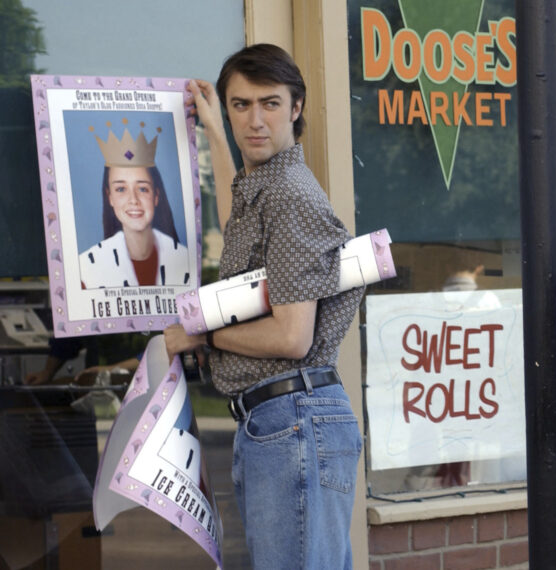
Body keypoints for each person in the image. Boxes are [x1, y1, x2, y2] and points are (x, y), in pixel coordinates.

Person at [164, 44, 364, 569]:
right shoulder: (264, 187)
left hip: (293, 418)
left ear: (296, 108)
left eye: (270, 104)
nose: (255, 120)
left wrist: (200, 333)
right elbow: (238, 225)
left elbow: (292, 337)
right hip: (282, 419)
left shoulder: (289, 196)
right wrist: (210, 128)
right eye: (240, 105)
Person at [79, 125, 190, 288]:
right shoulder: (87, 270)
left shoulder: (186, 261)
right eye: (121, 189)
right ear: (110, 198)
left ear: (156, 196)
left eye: (143, 188)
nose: (133, 200)